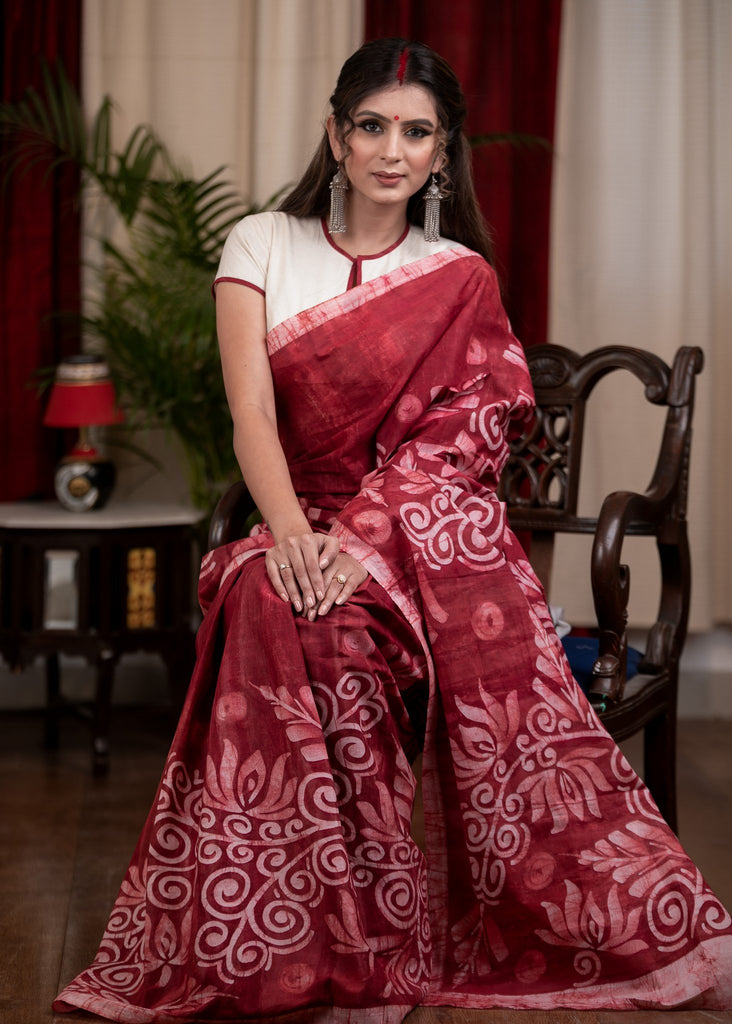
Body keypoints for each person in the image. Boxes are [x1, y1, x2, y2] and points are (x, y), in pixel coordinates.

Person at [54, 37, 732, 1023]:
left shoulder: (457, 274)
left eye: (416, 132)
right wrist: (293, 538)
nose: (390, 149)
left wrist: (361, 540)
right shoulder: (261, 244)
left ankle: (364, 943)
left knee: (324, 617)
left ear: (441, 155)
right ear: (335, 134)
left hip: (424, 546)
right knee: (271, 600)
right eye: (371, 125)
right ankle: (298, 945)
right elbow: (251, 414)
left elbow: (459, 449)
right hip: (297, 524)